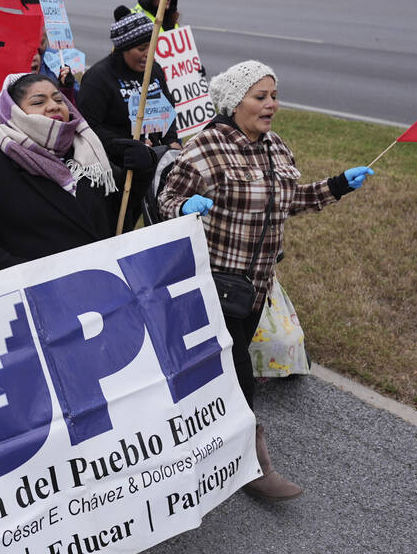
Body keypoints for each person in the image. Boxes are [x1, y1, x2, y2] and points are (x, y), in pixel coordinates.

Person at [157, 60, 373, 501]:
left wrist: (337, 185)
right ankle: (253, 465)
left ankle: (197, 443)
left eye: (274, 95)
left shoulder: (277, 147)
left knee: (217, 372)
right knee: (239, 376)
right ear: (235, 103)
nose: (271, 104)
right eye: (260, 96)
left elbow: (292, 201)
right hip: (213, 284)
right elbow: (166, 199)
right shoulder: (205, 148)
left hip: (256, 289)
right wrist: (184, 208)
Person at [0, 72, 153, 276]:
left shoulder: (87, 152)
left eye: (59, 99)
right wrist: (16, 272)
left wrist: (140, 173)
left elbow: (116, 214)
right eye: (38, 102)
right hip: (46, 299)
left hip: (107, 280)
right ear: (14, 112)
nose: (53, 106)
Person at [77, 8, 180, 153]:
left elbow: (168, 110)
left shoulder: (154, 70)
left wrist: (171, 141)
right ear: (123, 49)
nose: (148, 54)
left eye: (152, 46)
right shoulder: (98, 79)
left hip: (155, 157)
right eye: (142, 48)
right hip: (119, 163)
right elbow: (89, 128)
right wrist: (129, 145)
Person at [0, 33, 76, 157]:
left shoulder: (48, 87)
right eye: (38, 102)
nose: (34, 57)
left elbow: (69, 129)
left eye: (37, 52)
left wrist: (66, 91)